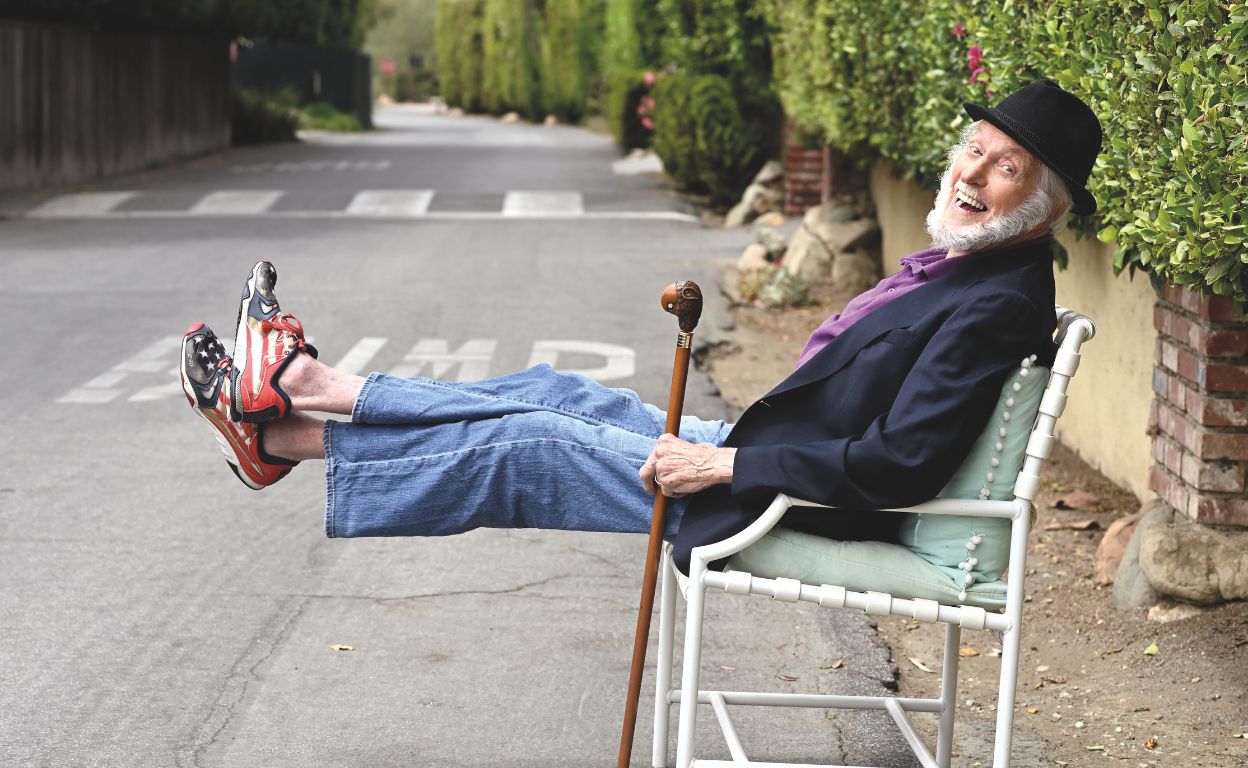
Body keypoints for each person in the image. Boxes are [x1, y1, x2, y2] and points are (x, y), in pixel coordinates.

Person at [179, 80, 1102, 572]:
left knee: (532, 445)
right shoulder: (980, 269)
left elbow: (899, 465)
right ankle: (306, 397)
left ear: (1047, 204)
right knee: (552, 393)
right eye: (975, 148)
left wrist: (723, 464)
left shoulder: (992, 303)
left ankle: (291, 426)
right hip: (772, 454)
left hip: (781, 496)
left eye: (1008, 167)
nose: (972, 174)